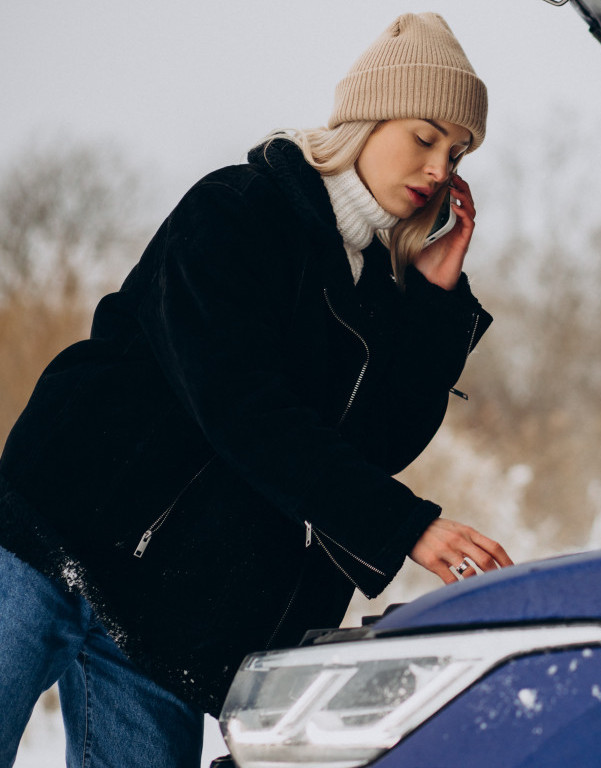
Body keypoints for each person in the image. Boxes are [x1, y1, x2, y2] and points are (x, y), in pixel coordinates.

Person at [0, 12, 512, 767]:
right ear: (367, 120)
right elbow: (241, 407)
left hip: (168, 613)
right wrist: (407, 528)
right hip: (55, 535)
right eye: (425, 137)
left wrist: (432, 306)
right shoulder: (240, 209)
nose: (440, 167)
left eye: (457, 152)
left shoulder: (376, 291)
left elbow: (372, 448)